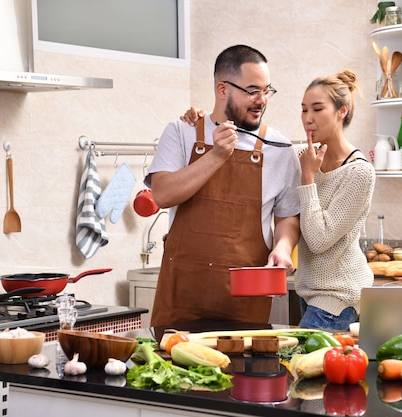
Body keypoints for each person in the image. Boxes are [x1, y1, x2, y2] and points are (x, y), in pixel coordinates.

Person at [145, 45, 301, 328]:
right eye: (252, 90)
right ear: (222, 89)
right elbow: (163, 194)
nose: (261, 100)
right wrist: (216, 155)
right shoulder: (182, 131)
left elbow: (287, 215)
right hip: (182, 299)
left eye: (267, 91)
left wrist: (283, 246)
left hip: (245, 301)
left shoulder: (280, 149)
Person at [296, 70, 375, 331]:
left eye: (318, 109)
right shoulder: (305, 157)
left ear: (342, 111)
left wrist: (308, 177)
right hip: (309, 291)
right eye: (304, 110)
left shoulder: (359, 172)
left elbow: (319, 240)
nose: (308, 119)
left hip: (338, 295)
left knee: (302, 368)